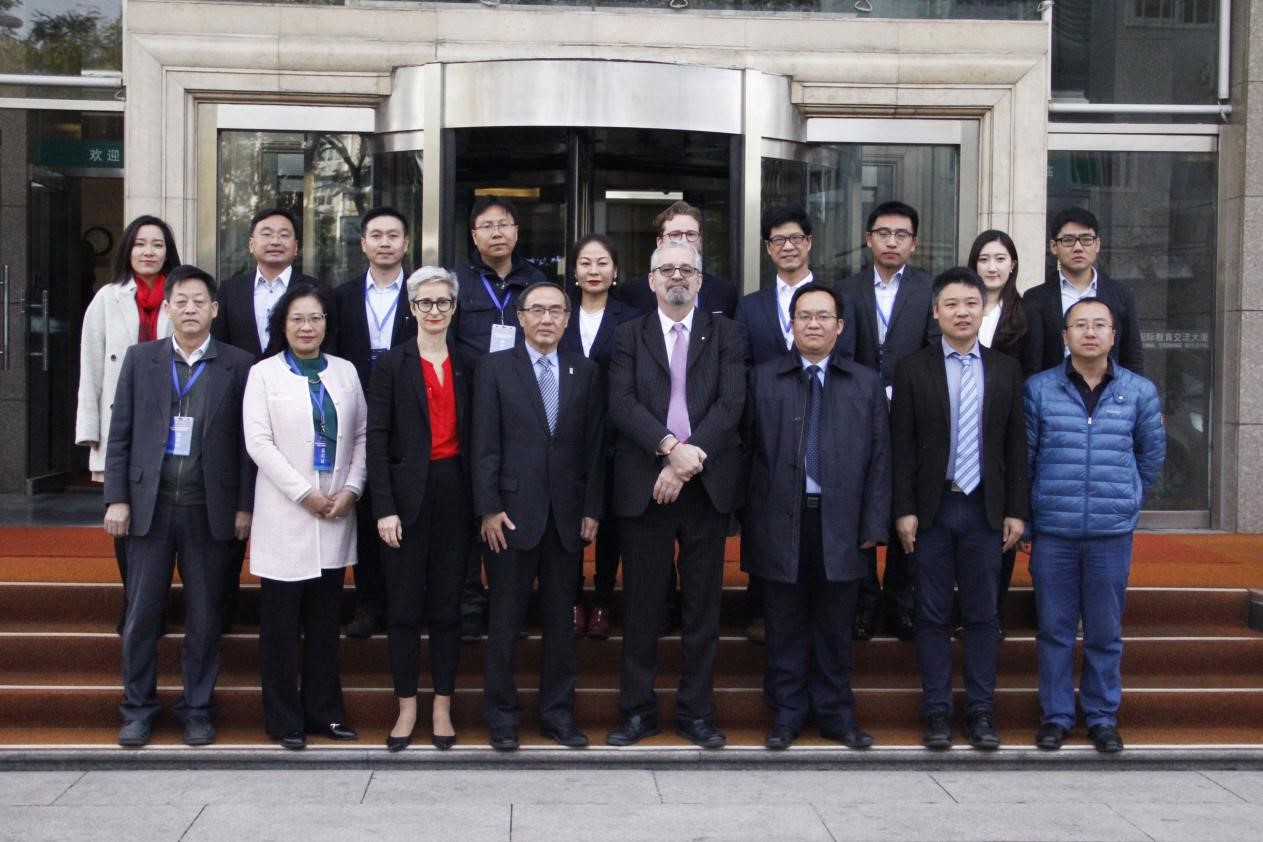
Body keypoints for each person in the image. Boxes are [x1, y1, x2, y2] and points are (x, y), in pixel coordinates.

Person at [103, 265, 254, 747]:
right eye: (181, 301)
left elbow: (248, 444)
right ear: (167, 309)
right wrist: (117, 498)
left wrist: (244, 506)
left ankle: (197, 709)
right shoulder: (140, 359)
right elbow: (120, 433)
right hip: (148, 507)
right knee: (142, 615)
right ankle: (137, 709)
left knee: (205, 617)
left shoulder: (239, 364)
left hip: (209, 508)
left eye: (199, 301)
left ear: (215, 309)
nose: (190, 309)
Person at [605, 240, 745, 749]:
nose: (677, 276)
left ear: (701, 280)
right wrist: (669, 448)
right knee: (642, 606)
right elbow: (621, 403)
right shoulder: (629, 334)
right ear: (651, 280)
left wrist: (688, 460)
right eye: (666, 269)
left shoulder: (727, 333)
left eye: (686, 269)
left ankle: (697, 714)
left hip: (705, 487)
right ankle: (637, 712)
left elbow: (732, 402)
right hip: (646, 485)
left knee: (702, 612)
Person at [742, 283, 889, 750]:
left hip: (841, 523)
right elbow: (747, 455)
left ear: (839, 327)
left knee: (835, 627)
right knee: (783, 625)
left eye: (823, 316)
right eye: (804, 316)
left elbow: (880, 459)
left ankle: (836, 715)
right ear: (791, 324)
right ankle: (786, 715)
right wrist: (750, 522)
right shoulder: (762, 379)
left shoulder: (864, 383)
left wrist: (873, 524)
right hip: (779, 521)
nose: (813, 324)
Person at [890, 267, 1028, 751]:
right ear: (936, 312)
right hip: (932, 509)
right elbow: (902, 445)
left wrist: (1016, 509)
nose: (962, 312)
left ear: (984, 309)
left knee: (983, 615)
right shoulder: (912, 368)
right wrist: (903, 508)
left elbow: (1015, 446)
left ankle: (981, 712)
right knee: (930, 615)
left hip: (985, 509)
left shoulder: (1007, 369)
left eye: (971, 303)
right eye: (951, 304)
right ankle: (936, 712)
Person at [1024, 297, 1165, 754]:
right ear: (1064, 336)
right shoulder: (1039, 389)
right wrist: (1029, 518)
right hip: (1055, 530)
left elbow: (1150, 455)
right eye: (1080, 325)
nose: (1090, 332)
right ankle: (1056, 716)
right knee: (1055, 631)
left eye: (1099, 325)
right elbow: (1026, 458)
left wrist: (1128, 497)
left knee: (1105, 632)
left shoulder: (1139, 391)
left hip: (1110, 531)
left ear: (1113, 335)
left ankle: (1103, 717)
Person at [474, 281, 605, 751]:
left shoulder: (585, 371)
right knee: (505, 622)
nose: (546, 319)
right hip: (509, 517)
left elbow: (594, 447)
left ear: (568, 319)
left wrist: (591, 507)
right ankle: (502, 717)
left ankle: (557, 715)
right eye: (537, 310)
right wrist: (488, 507)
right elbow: (484, 444)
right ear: (521, 318)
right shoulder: (494, 368)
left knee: (560, 624)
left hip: (566, 517)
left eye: (555, 311)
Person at [243, 282, 366, 750]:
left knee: (324, 624)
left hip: (335, 512)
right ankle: (283, 719)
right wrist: (303, 493)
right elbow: (259, 443)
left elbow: (363, 436)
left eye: (315, 318)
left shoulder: (345, 371)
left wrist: (352, 488)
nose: (307, 327)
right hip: (286, 514)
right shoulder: (263, 374)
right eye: (297, 318)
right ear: (283, 324)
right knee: (280, 628)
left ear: (326, 324)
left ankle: (325, 712)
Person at [734, 205, 855, 644]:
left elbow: (850, 362)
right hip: (771, 431)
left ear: (809, 243)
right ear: (767, 249)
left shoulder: (838, 299)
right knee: (769, 533)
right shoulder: (749, 306)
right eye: (778, 240)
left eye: (796, 238)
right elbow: (743, 368)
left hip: (827, 428)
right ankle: (762, 612)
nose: (788, 247)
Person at [366, 266, 471, 752]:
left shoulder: (470, 362)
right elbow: (377, 439)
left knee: (448, 606)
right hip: (405, 497)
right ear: (411, 308)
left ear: (454, 307)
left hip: (456, 492)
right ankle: (407, 705)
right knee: (405, 606)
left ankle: (442, 705)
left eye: (442, 302)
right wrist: (384, 507)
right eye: (425, 302)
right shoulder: (391, 364)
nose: (434, 310)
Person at [211, 207, 323, 632]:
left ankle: (301, 607)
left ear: (296, 246)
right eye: (266, 233)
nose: (275, 240)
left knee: (293, 505)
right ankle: (224, 608)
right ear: (251, 243)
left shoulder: (314, 292)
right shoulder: (230, 290)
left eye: (284, 234)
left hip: (297, 419)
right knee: (234, 509)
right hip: (236, 413)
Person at [836, 200, 940, 643]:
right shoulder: (846, 289)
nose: (891, 241)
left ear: (914, 242)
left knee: (906, 501)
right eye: (883, 233)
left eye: (901, 234)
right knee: (857, 503)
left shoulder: (929, 289)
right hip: (857, 411)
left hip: (912, 412)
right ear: (868, 239)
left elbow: (934, 352)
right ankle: (864, 601)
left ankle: (900, 602)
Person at [77, 215, 181, 634]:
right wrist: (90, 432)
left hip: (174, 423)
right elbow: (91, 367)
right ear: (128, 250)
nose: (148, 252)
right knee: (126, 521)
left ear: (168, 251)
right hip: (122, 425)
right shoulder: (107, 298)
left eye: (157, 244)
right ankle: (134, 603)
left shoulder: (181, 295)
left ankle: (162, 603)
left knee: (166, 521)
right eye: (140, 244)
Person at [450, 195, 548, 641]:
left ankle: (515, 602)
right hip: (470, 407)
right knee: (473, 503)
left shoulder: (536, 282)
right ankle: (470, 602)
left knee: (520, 501)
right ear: (474, 236)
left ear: (516, 231)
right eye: (486, 226)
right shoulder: (458, 282)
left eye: (504, 224)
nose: (496, 233)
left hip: (525, 406)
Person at [330, 207, 417, 640]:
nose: (385, 242)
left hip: (410, 414)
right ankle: (369, 600)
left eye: (393, 235)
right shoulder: (340, 297)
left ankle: (407, 601)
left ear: (406, 244)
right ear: (363, 243)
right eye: (376, 235)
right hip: (355, 412)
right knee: (366, 509)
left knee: (408, 504)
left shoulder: (422, 295)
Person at [559, 234, 638, 640]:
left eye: (602, 262)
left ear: (615, 270)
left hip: (617, 435)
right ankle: (573, 598)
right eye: (585, 263)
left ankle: (604, 598)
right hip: (565, 434)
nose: (594, 271)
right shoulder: (558, 313)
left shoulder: (632, 317)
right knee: (567, 519)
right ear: (574, 271)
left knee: (610, 524)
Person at [967, 229, 1044, 633]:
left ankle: (992, 613)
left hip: (1006, 426)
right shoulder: (962, 305)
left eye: (999, 259)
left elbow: (1034, 370)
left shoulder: (1027, 312)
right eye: (983, 259)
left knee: (999, 521)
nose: (991, 267)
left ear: (1013, 264)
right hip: (959, 423)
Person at [1024, 207, 1144, 374]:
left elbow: (1132, 356)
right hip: (1053, 389)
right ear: (1054, 246)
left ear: (1097, 244)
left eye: (1086, 239)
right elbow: (1032, 360)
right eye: (1068, 240)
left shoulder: (1122, 295)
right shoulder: (1036, 298)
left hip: (1109, 388)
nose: (1078, 247)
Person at [617, 200, 739, 319]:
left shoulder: (724, 292)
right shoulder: (632, 292)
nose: (684, 241)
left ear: (700, 242)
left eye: (691, 234)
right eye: (675, 234)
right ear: (659, 242)